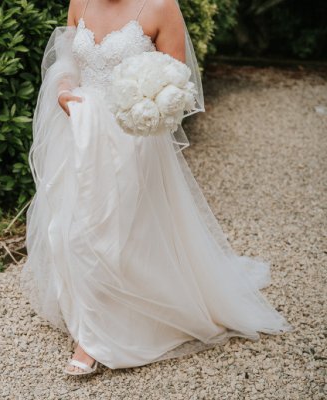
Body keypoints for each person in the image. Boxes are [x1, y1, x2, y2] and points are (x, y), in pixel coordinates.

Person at [20, 0, 291, 376]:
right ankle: (88, 312)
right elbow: (68, 63)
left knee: (113, 234)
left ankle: (94, 339)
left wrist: (143, 113)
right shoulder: (79, 1)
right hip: (80, 132)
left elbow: (176, 82)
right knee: (70, 229)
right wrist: (65, 91)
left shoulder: (161, 7)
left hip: (134, 142)